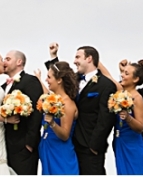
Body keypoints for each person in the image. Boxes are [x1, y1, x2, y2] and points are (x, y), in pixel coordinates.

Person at [45, 43, 117, 175]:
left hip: (90, 145)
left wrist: (94, 146)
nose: (74, 61)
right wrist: (53, 57)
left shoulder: (106, 85)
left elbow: (105, 118)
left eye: (78, 57)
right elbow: (59, 76)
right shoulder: (75, 79)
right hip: (71, 143)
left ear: (89, 59)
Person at [97, 59, 143, 175]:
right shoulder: (121, 92)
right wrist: (95, 60)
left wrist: (128, 118)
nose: (122, 75)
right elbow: (108, 76)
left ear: (136, 79)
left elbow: (140, 127)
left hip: (133, 144)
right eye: (122, 72)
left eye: (126, 74)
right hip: (120, 142)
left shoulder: (137, 98)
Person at [2, 50, 43, 175]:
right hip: (5, 145)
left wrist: (29, 143)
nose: (4, 62)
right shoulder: (2, 87)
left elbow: (37, 111)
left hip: (23, 146)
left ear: (19, 62)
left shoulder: (30, 81)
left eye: (8, 59)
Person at [34, 61, 79, 175]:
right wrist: (38, 78)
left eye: (49, 77)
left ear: (59, 80)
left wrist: (53, 123)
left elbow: (65, 135)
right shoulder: (52, 99)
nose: (46, 80)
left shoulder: (67, 104)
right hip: (48, 149)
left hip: (60, 153)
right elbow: (46, 91)